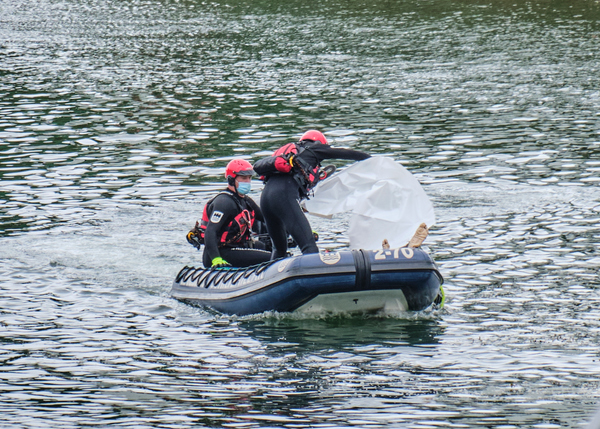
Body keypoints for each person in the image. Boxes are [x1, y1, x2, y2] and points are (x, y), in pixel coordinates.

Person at [253, 130, 370, 259]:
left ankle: (271, 277)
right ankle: (319, 276)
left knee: (279, 249)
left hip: (265, 201)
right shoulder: (315, 149)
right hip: (283, 198)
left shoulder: (289, 153)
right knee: (309, 247)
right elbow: (345, 153)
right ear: (320, 143)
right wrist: (371, 159)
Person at [186, 159, 271, 268]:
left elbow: (266, 218)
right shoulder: (224, 203)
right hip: (221, 252)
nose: (248, 182)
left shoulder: (245, 201)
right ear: (231, 180)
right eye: (244, 178)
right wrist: (216, 259)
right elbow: (210, 232)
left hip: (239, 246)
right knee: (272, 258)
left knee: (273, 249)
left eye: (249, 178)